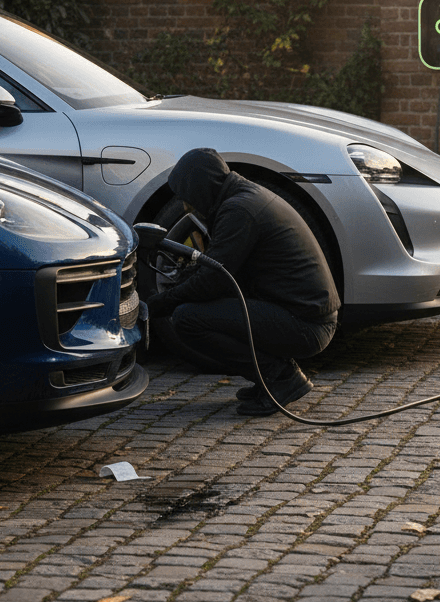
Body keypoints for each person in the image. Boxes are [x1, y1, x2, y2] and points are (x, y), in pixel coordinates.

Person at [145, 148, 340, 417]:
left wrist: (158, 305)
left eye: (188, 198)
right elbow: (221, 271)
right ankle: (272, 376)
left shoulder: (240, 211)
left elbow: (213, 282)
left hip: (307, 326)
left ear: (202, 188)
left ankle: (279, 377)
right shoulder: (243, 198)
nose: (188, 206)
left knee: (187, 319)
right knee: (198, 309)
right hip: (303, 315)